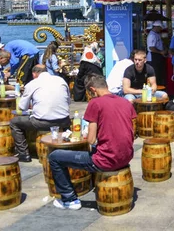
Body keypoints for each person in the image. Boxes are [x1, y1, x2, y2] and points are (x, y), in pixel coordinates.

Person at [48, 74, 137, 210]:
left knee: (55, 157)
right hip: (126, 157)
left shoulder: (95, 103)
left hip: (106, 160)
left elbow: (90, 139)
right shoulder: (125, 102)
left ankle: (69, 199)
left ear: (92, 90)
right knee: (96, 149)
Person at [10, 65, 71, 162]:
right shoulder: (60, 80)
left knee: (14, 122)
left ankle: (23, 154)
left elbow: (22, 107)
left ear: (34, 74)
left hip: (43, 122)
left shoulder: (32, 84)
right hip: (64, 120)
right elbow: (67, 102)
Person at [147, 21, 167, 87]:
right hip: (153, 57)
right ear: (157, 27)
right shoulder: (152, 35)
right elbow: (151, 48)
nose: (161, 29)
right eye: (160, 28)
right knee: (155, 74)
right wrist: (160, 52)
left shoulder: (156, 34)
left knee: (159, 74)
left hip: (158, 56)